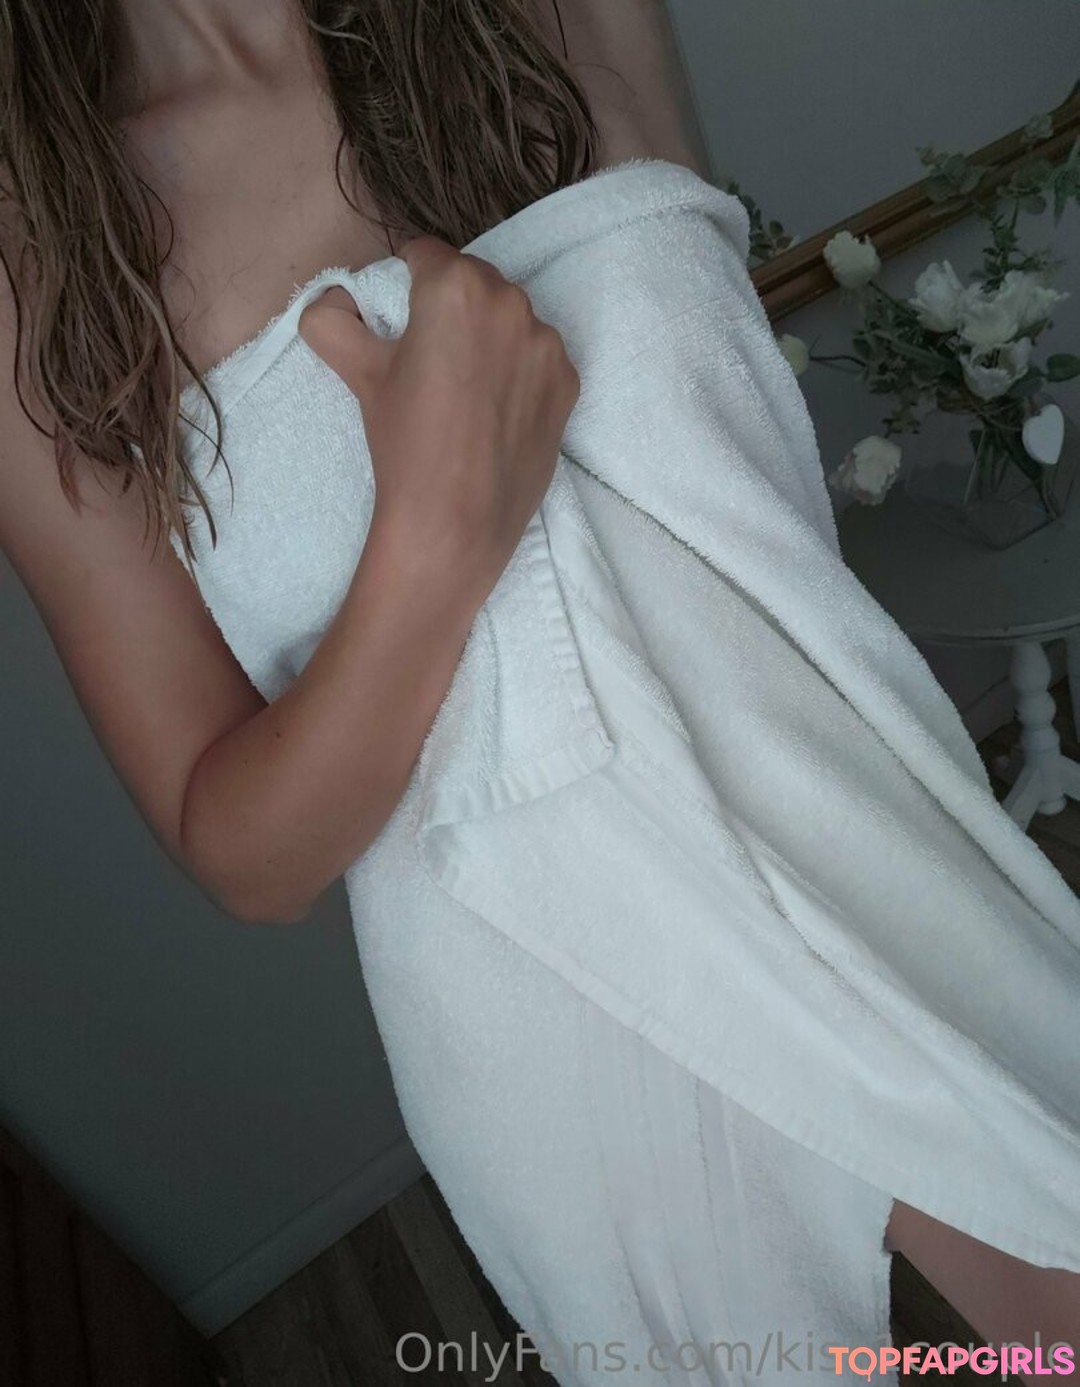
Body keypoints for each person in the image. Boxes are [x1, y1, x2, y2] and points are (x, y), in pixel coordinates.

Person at [0, 3, 1076, 1381]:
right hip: (567, 1035)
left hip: (883, 853)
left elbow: (748, 498)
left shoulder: (558, 17)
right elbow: (244, 854)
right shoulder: (42, 261)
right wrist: (433, 543)